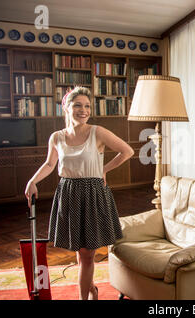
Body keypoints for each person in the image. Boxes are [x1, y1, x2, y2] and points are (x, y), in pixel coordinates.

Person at [25, 87, 134, 300]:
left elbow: (127, 151)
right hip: (69, 194)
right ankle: (91, 288)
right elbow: (49, 164)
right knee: (81, 251)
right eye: (77, 105)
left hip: (93, 194)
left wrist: (103, 169)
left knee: (86, 253)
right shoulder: (56, 137)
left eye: (87, 106)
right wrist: (32, 181)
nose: (83, 110)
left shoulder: (98, 132)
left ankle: (84, 297)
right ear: (66, 107)